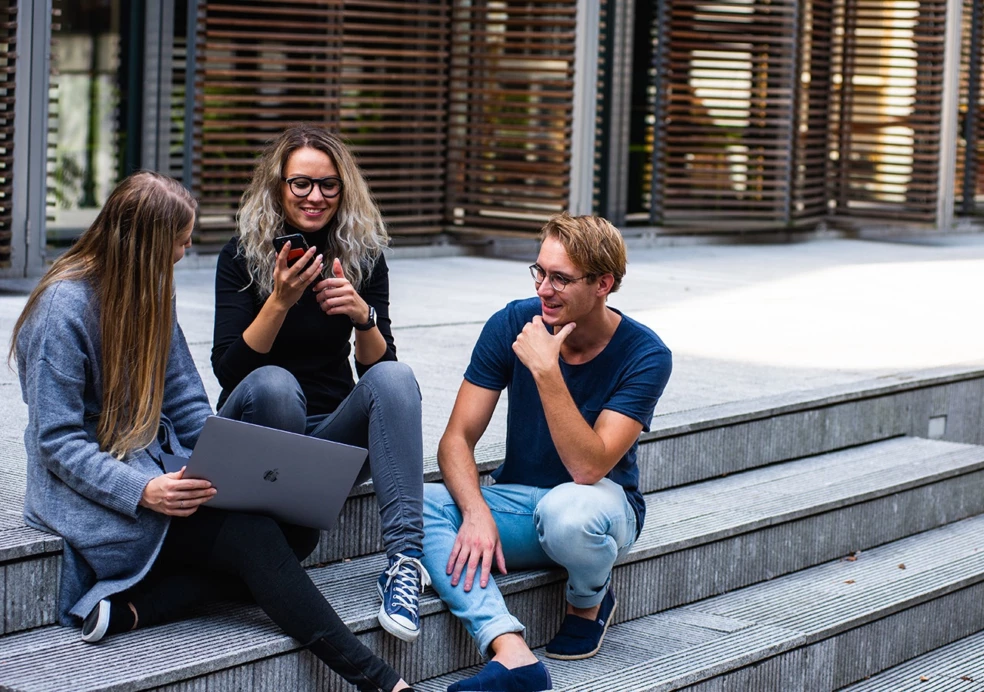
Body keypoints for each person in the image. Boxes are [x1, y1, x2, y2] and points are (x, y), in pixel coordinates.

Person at [10, 172, 415, 692]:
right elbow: (57, 442)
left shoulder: (150, 291)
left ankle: (142, 606)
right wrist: (144, 490)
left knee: (298, 532)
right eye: (179, 243)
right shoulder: (61, 310)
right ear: (146, 243)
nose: (182, 255)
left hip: (162, 472)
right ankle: (380, 680)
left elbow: (186, 402)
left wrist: (221, 463)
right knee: (256, 539)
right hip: (99, 495)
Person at [423, 213, 672, 692]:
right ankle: (509, 650)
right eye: (539, 272)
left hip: (598, 506)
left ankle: (588, 599)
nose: (544, 288)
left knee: (568, 512)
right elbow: (456, 439)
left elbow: (589, 466)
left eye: (560, 278)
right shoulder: (513, 322)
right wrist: (475, 512)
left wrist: (547, 371)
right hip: (518, 502)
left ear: (604, 283)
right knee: (419, 503)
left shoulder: (646, 354)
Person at [211, 125, 428, 643]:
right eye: (301, 183)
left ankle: (403, 564)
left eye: (329, 185)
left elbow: (380, 374)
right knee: (275, 385)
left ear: (344, 189)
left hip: (328, 441)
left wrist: (363, 316)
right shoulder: (241, 256)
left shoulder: (362, 255)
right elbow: (229, 371)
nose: (315, 197)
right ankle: (269, 542)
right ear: (278, 186)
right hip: (259, 430)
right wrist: (280, 300)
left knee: (397, 378)